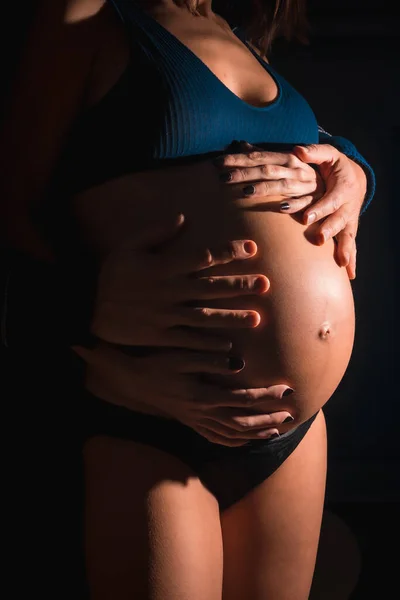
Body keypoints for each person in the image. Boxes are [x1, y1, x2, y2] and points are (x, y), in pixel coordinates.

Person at [0, 1, 375, 599]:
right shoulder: (89, 14)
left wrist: (355, 174)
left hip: (287, 429)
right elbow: (12, 213)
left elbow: (285, 145)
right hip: (152, 411)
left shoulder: (235, 33)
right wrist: (84, 311)